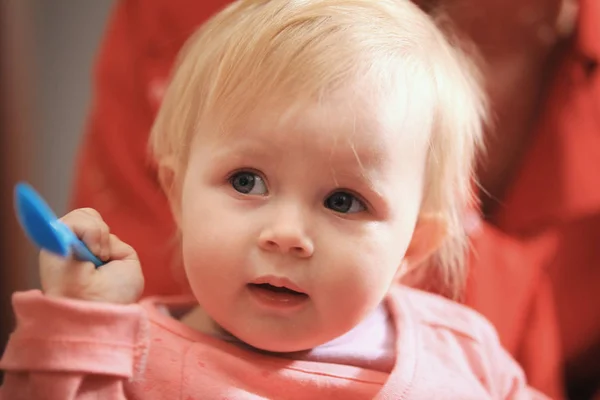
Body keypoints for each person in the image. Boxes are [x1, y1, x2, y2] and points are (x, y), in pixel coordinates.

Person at [0, 1, 549, 398]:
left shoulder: (463, 351)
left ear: (416, 244)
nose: (286, 233)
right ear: (177, 191)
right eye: (246, 182)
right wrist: (81, 322)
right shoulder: (124, 359)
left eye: (343, 201)